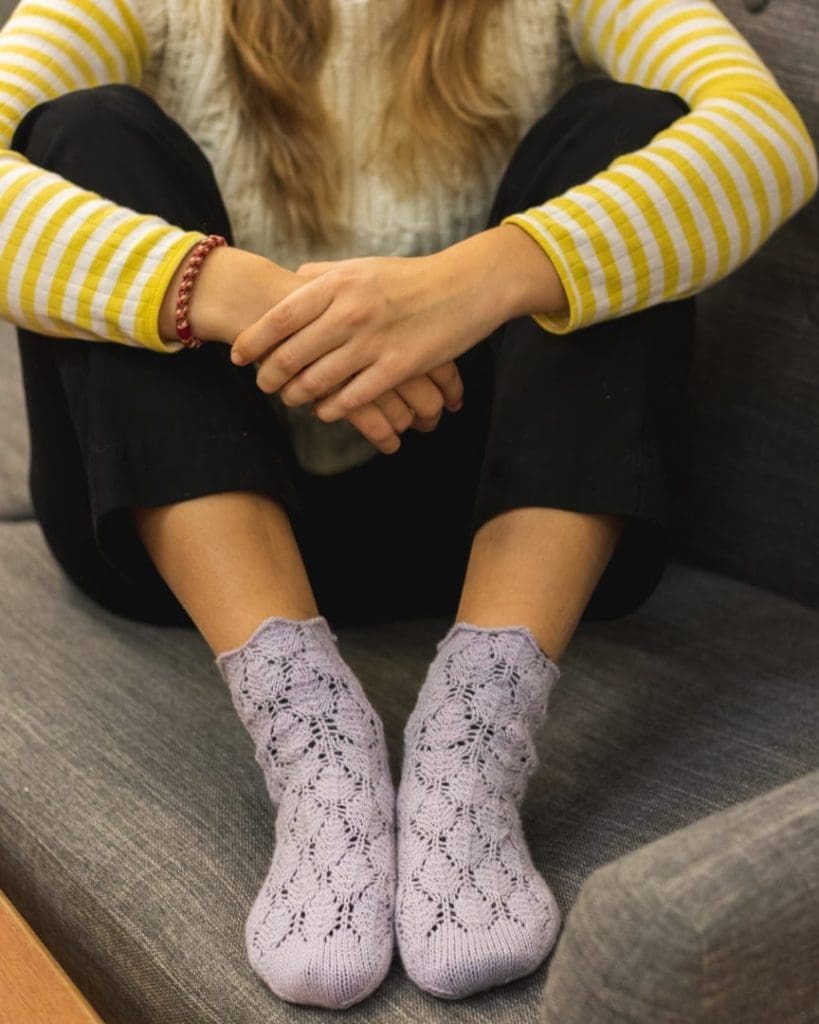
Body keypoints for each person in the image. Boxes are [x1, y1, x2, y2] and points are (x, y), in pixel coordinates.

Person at [1, 0, 816, 1011]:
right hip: (191, 523)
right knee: (86, 129)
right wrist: (257, 304)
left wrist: (469, 288)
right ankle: (312, 733)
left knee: (628, 124)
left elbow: (767, 138)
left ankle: (474, 732)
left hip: (474, 516)